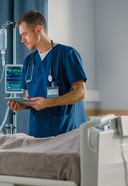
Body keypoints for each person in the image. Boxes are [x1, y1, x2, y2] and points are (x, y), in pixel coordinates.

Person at [8, 10, 88, 138]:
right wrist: (22, 105)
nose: (22, 40)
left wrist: (48, 103)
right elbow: (29, 98)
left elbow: (81, 93)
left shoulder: (67, 54)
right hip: (38, 133)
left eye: (25, 34)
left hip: (65, 132)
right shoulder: (29, 62)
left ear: (38, 30)